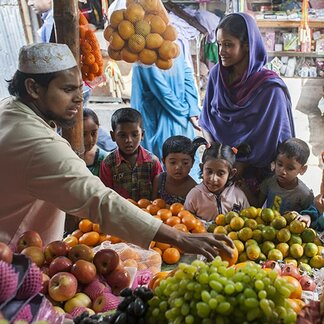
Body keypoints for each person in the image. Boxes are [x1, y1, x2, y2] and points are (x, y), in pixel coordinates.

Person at [0, 43, 234, 260]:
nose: (79, 99)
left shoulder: (9, 112)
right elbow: (99, 200)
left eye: (80, 89)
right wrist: (179, 237)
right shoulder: (36, 142)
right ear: (33, 88)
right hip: (11, 257)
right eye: (68, 89)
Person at [199, 13, 295, 196]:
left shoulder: (270, 89)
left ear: (247, 46)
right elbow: (206, 120)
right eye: (219, 44)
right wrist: (217, 157)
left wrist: (240, 164)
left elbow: (273, 141)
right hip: (218, 173)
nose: (221, 51)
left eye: (228, 45)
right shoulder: (216, 76)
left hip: (256, 179)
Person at [130, 42, 201, 181]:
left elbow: (187, 74)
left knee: (182, 167)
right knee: (163, 170)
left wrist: (192, 110)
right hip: (158, 120)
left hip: (179, 117)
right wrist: (186, 112)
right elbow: (160, 89)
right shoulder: (145, 51)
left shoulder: (173, 43)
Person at [100, 108, 163, 201]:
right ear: (113, 136)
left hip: (148, 213)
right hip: (119, 212)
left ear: (142, 135)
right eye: (122, 135)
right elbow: (106, 196)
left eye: (134, 135)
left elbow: (159, 194)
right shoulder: (108, 164)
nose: (128, 140)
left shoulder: (153, 162)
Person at [184, 142, 250, 223]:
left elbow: (247, 220)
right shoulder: (194, 196)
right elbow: (186, 220)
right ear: (202, 168)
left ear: (231, 173)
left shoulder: (238, 196)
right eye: (209, 172)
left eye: (220, 173)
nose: (213, 178)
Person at [258, 138, 314, 215]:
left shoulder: (304, 194)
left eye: (290, 168)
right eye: (280, 164)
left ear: (302, 169)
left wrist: (306, 216)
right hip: (266, 226)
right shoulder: (269, 182)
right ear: (275, 162)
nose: (282, 171)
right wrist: (244, 188)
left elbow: (312, 214)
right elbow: (257, 204)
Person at [152, 136, 207, 205]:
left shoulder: (194, 189)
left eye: (185, 163)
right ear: (164, 162)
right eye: (173, 162)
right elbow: (152, 205)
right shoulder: (159, 180)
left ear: (192, 163)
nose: (178, 167)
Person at [83, 108, 108, 177]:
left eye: (94, 133)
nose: (89, 140)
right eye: (83, 134)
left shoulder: (104, 159)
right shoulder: (64, 156)